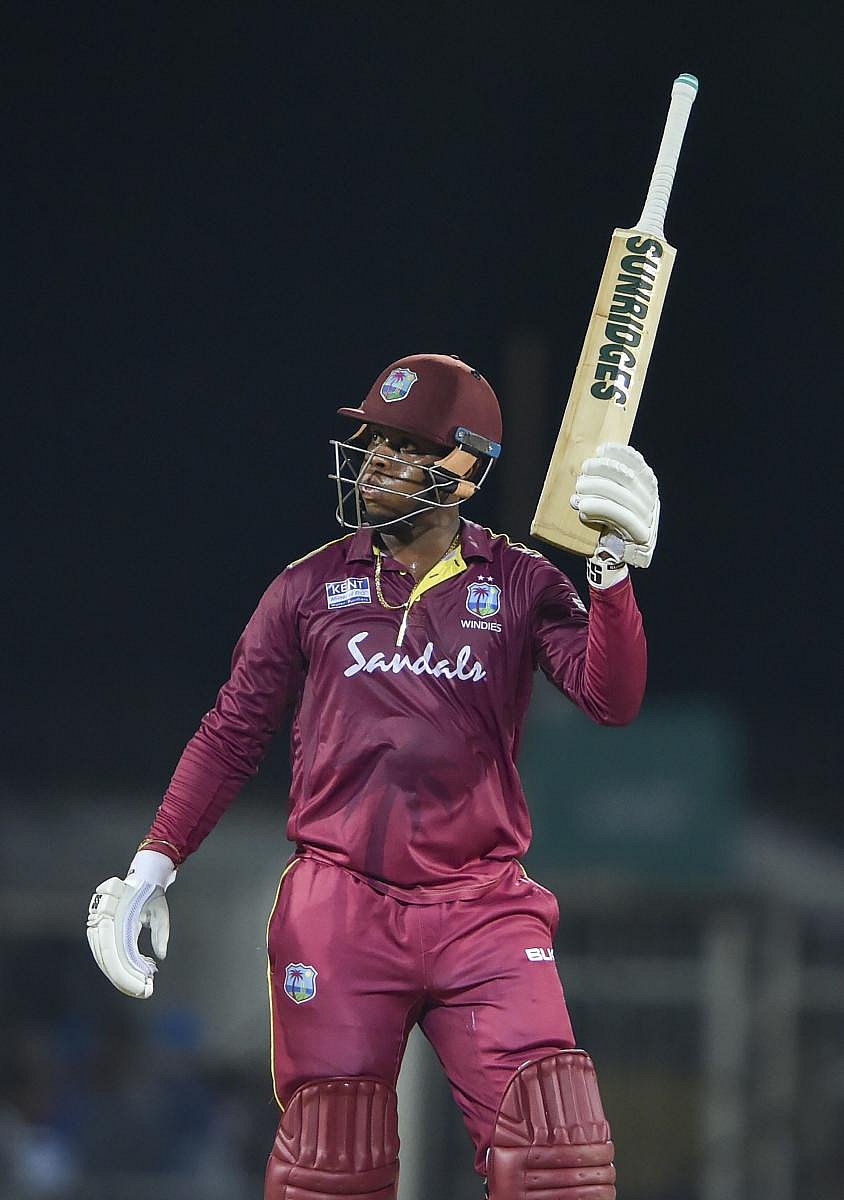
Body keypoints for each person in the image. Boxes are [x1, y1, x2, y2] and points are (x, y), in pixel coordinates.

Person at [87, 352, 657, 1199]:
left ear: (465, 469)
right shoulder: (307, 588)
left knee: (557, 1157)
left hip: (483, 908)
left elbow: (610, 698)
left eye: (405, 446)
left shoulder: (522, 582)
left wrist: (611, 579)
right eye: (374, 442)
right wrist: (152, 864)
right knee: (333, 1166)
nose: (376, 462)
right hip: (340, 906)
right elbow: (231, 733)